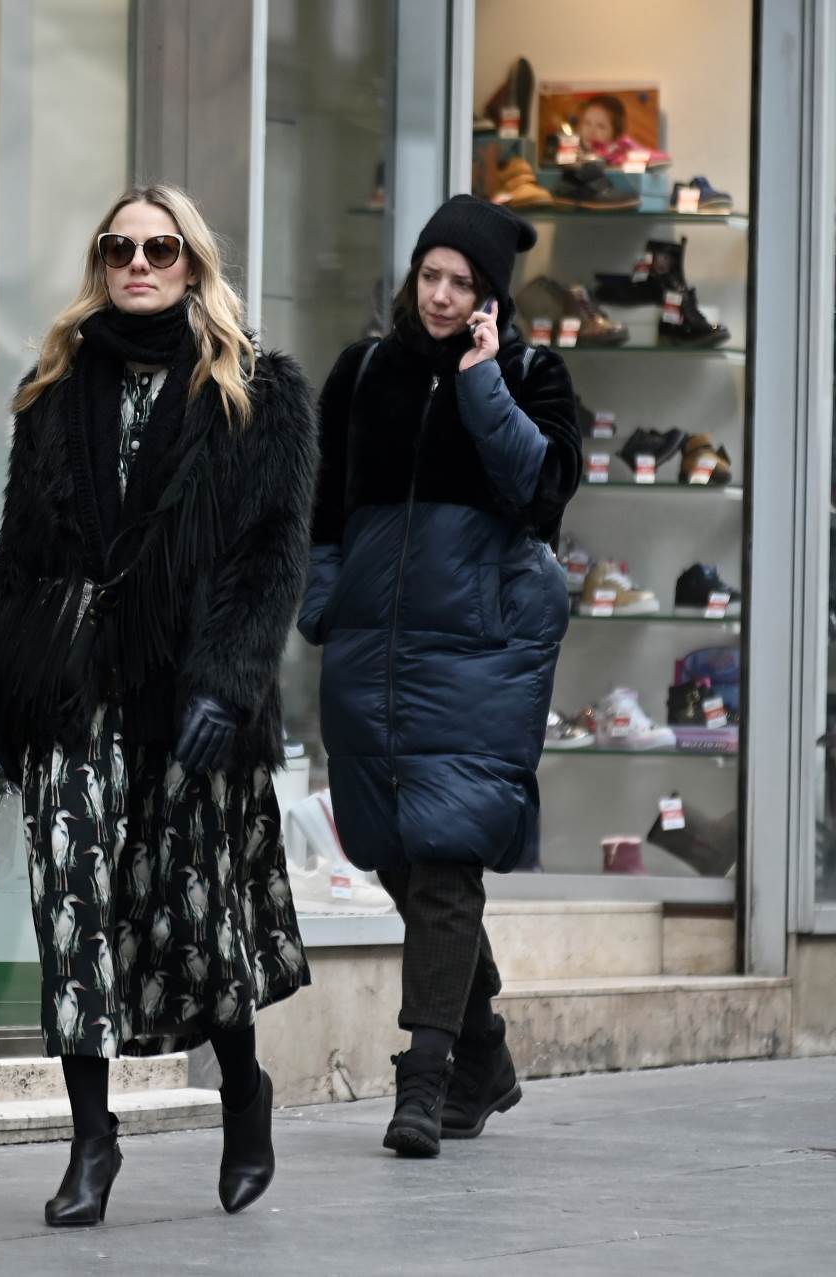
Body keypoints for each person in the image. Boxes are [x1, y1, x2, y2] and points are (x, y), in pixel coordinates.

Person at [0, 185, 318, 1225]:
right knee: (70, 903)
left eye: (159, 248)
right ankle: (92, 1137)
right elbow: (21, 562)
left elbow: (272, 559)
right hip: (74, 689)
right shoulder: (53, 386)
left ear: (193, 264)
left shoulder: (256, 390)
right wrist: (8, 715)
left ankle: (244, 1091)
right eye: (118, 248)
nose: (137, 264)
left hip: (190, 693)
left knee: (197, 923)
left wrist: (231, 680)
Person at [301, 195, 579, 1158]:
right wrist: (324, 604)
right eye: (432, 276)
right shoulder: (363, 372)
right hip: (371, 653)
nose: (443, 296)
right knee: (394, 852)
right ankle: (486, 1050)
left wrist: (482, 381)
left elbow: (540, 489)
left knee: (447, 857)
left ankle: (423, 1081)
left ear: (492, 297)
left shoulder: (533, 377)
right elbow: (323, 510)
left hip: (475, 657)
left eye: (464, 284)